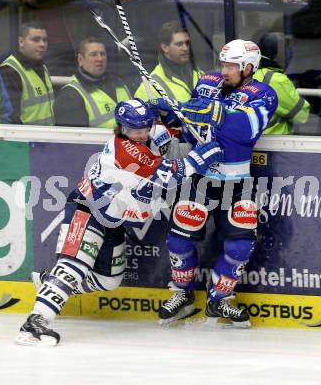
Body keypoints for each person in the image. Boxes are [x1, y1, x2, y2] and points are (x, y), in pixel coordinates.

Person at [15, 98, 223, 346]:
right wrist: (199, 159)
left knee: (108, 279)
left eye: (146, 127)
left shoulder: (151, 132)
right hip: (87, 208)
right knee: (73, 267)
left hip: (112, 220)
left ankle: (52, 284)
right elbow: (169, 175)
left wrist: (170, 117)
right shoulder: (125, 149)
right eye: (136, 130)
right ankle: (35, 323)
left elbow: (176, 142)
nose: (142, 134)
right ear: (122, 127)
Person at [154, 39, 278, 327]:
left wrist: (210, 112)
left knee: (239, 248)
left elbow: (242, 130)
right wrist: (174, 113)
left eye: (231, 66)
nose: (224, 71)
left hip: (237, 182)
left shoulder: (263, 94)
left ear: (249, 68)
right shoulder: (207, 83)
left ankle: (219, 300)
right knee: (178, 240)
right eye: (223, 64)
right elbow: (189, 129)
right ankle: (182, 296)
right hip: (199, 175)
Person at [54, 37, 131, 128]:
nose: (100, 58)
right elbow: (76, 138)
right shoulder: (70, 96)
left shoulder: (119, 84)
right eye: (93, 54)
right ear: (80, 60)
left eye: (102, 54)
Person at [0, 20, 55, 125]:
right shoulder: (10, 71)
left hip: (44, 138)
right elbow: (11, 118)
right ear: (21, 42)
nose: (42, 44)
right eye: (36, 40)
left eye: (45, 40)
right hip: (26, 139)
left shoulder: (41, 66)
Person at [253, 32, 310, 135]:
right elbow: (301, 115)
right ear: (277, 54)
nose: (290, 52)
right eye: (285, 48)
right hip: (275, 144)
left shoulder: (252, 73)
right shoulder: (277, 80)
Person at [134, 20, 203, 103]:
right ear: (165, 47)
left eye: (187, 43)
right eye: (179, 44)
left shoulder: (201, 75)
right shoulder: (148, 88)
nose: (185, 48)